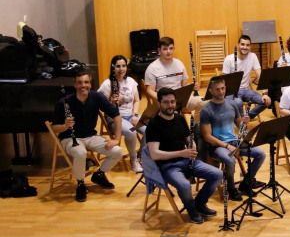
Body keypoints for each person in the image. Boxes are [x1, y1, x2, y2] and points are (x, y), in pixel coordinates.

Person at [146, 88, 223, 224]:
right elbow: (155, 154)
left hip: (187, 160)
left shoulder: (180, 118)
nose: (170, 106)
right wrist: (181, 153)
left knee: (217, 174)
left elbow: (188, 138)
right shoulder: (153, 125)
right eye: (166, 102)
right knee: (185, 186)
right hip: (168, 166)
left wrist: (192, 144)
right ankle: (192, 210)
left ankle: (199, 203)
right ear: (159, 103)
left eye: (172, 102)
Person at [52, 70, 124, 202]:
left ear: (90, 84)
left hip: (91, 136)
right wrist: (65, 126)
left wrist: (116, 138)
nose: (83, 85)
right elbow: (54, 127)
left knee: (117, 151)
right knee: (80, 153)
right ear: (75, 85)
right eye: (79, 83)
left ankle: (99, 175)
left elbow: (116, 115)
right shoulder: (64, 103)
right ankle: (80, 184)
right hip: (69, 137)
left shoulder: (96, 97)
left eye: (86, 82)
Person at [200, 76, 266, 202]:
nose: (221, 92)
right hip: (218, 146)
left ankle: (246, 183)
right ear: (211, 91)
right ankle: (231, 189)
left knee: (260, 154)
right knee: (230, 160)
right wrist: (226, 146)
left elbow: (239, 124)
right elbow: (207, 137)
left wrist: (245, 122)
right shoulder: (206, 110)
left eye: (223, 88)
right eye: (217, 89)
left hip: (234, 142)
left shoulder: (231, 104)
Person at [97, 54, 144, 173]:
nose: (121, 69)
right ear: (113, 67)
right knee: (131, 132)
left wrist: (135, 114)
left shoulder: (131, 81)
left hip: (130, 115)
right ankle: (133, 160)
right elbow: (100, 105)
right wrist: (110, 102)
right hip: (115, 118)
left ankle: (141, 156)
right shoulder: (107, 84)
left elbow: (137, 100)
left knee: (151, 129)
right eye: (118, 66)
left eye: (123, 66)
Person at [144, 37, 206, 115]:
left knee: (204, 103)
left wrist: (192, 87)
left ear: (174, 49)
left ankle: (196, 126)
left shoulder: (179, 63)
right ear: (159, 51)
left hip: (181, 99)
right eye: (165, 49)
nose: (168, 52)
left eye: (171, 48)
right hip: (165, 101)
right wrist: (164, 100)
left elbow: (184, 85)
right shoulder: (152, 68)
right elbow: (150, 90)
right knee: (174, 114)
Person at [222, 34, 270, 119]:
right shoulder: (229, 59)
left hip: (246, 90)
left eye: (247, 45)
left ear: (250, 46)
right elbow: (224, 81)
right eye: (243, 44)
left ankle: (247, 117)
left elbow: (260, 75)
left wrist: (265, 93)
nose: (245, 47)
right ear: (238, 45)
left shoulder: (253, 56)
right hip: (232, 92)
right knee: (238, 103)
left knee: (266, 101)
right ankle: (241, 124)